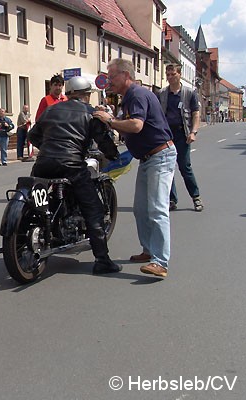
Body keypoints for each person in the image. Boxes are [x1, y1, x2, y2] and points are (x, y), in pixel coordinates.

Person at [28, 76, 120, 275]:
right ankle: (102, 260)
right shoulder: (91, 113)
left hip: (43, 165)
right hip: (71, 165)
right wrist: (113, 155)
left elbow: (33, 135)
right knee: (93, 209)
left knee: (34, 200)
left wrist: (48, 148)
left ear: (68, 94)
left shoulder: (51, 109)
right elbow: (103, 140)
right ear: (86, 95)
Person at [93, 58, 176, 278]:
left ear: (126, 75)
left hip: (160, 155)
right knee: (141, 208)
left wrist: (110, 121)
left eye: (112, 77)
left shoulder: (137, 94)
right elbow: (125, 123)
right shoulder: (127, 98)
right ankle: (149, 250)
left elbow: (136, 125)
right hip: (148, 157)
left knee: (157, 208)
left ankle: (161, 262)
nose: (109, 81)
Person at [158, 64, 203, 212]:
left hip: (182, 134)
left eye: (173, 74)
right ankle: (171, 199)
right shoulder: (162, 93)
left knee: (185, 167)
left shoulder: (189, 93)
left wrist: (193, 132)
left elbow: (196, 113)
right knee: (167, 168)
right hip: (166, 135)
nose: (170, 77)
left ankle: (196, 197)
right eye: (168, 74)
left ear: (179, 75)